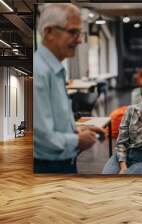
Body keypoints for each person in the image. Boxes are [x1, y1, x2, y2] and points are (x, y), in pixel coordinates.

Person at [33, 3, 104, 173]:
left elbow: (52, 123)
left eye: (79, 33)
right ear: (49, 32)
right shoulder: (39, 72)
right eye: (73, 32)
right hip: (48, 168)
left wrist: (76, 131)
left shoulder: (55, 69)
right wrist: (76, 140)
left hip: (63, 164)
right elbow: (41, 137)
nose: (79, 40)